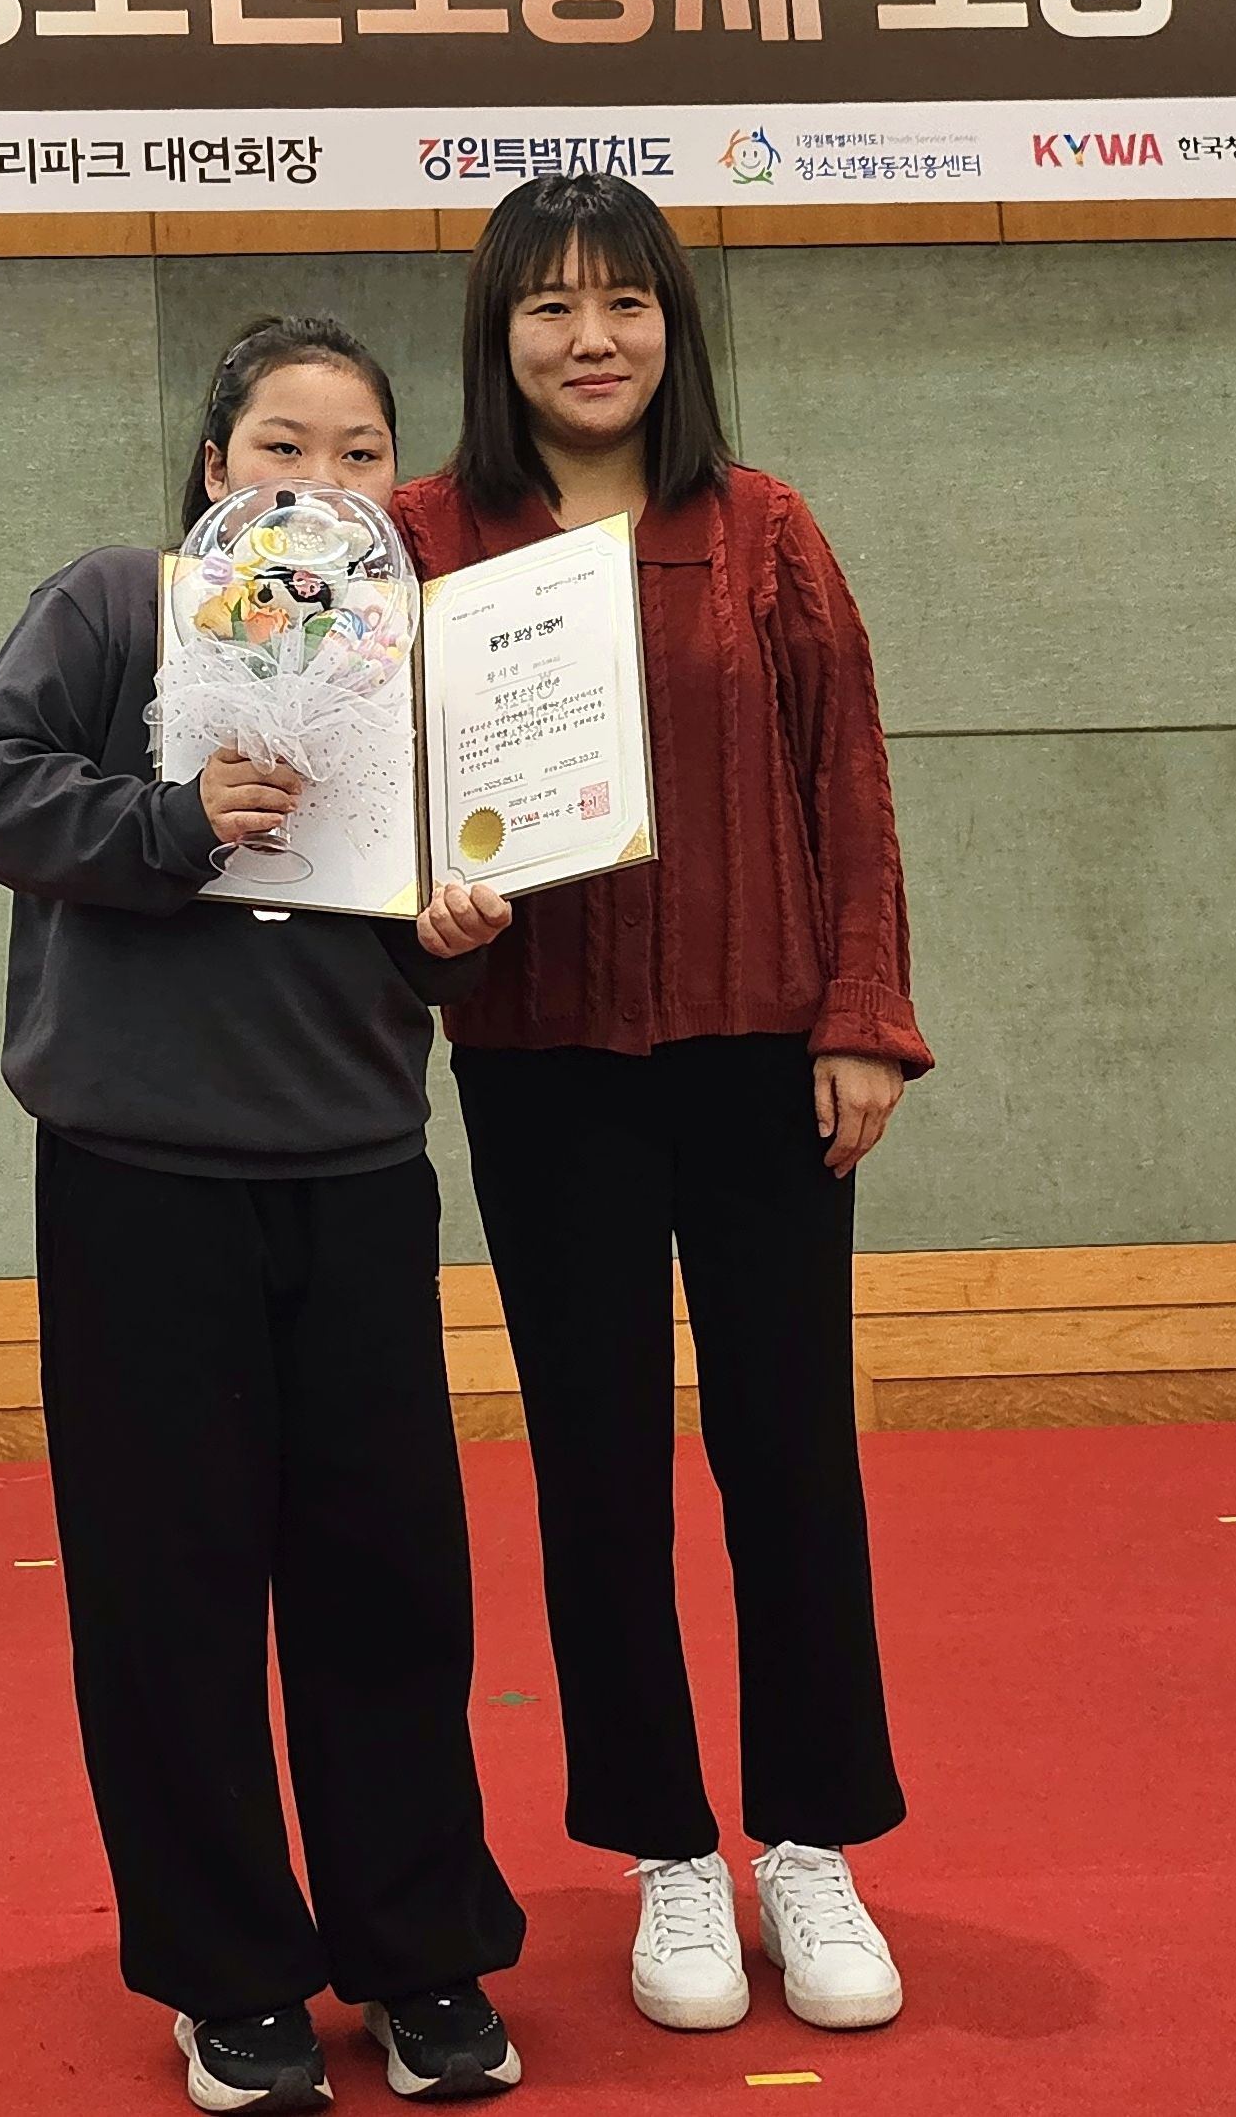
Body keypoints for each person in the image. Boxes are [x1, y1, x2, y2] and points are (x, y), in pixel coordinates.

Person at [0, 317, 526, 2110]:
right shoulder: (116, 604)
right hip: (140, 1178)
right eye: (283, 446)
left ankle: (417, 1953)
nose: (319, 481)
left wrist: (457, 926)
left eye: (359, 454)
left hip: (353, 1164)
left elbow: (442, 901)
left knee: (389, 1586)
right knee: (166, 1598)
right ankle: (229, 1979)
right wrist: (174, 820)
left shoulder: (417, 651)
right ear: (215, 468)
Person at [390, 175, 933, 2037]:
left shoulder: (762, 528)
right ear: (498, 336)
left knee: (790, 1453)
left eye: (622, 301)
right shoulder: (425, 536)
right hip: (540, 1067)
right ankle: (665, 1851)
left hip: (763, 1054)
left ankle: (809, 1839)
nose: (590, 338)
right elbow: (372, 791)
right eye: (548, 306)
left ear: (671, 324)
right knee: (596, 1468)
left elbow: (845, 784)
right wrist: (424, 913)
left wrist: (860, 1019)